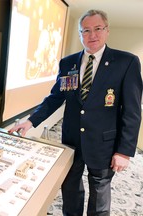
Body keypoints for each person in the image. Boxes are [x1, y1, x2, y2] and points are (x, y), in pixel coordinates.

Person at [8, 9, 142, 216]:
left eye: (97, 29)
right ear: (80, 34)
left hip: (104, 143)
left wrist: (124, 151)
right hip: (71, 138)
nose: (92, 35)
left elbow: (132, 111)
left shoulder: (126, 62)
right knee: (70, 187)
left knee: (99, 192)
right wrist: (30, 122)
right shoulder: (68, 62)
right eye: (85, 31)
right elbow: (55, 97)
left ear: (107, 31)